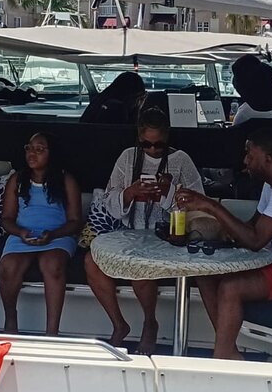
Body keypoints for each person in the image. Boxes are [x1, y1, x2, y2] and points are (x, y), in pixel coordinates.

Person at [176, 125, 272, 360]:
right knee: (205, 274)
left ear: (269, 158)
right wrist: (226, 232)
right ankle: (229, 352)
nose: (245, 160)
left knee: (231, 288)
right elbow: (252, 226)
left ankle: (222, 358)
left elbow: (256, 240)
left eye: (250, 154)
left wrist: (210, 206)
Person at [85, 108, 203, 354]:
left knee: (141, 267)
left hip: (167, 235)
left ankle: (150, 323)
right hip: (130, 231)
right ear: (139, 137)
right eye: (146, 144)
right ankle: (119, 324)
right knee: (91, 261)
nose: (152, 150)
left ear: (167, 137)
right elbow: (110, 200)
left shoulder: (181, 160)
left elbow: (199, 203)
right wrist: (130, 193)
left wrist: (168, 194)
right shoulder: (128, 157)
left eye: (158, 145)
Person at [0, 133, 82, 336]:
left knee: (52, 264)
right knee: (8, 266)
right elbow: (6, 218)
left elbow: (75, 221)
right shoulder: (17, 180)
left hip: (58, 236)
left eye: (39, 149)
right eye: (29, 148)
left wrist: (52, 234)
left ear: (51, 153)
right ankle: (10, 320)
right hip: (23, 235)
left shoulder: (66, 180)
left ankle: (52, 332)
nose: (32, 153)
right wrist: (21, 232)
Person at [80, 71, 146, 125]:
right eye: (139, 97)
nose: (140, 102)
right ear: (130, 95)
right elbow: (122, 134)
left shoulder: (101, 101)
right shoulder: (116, 108)